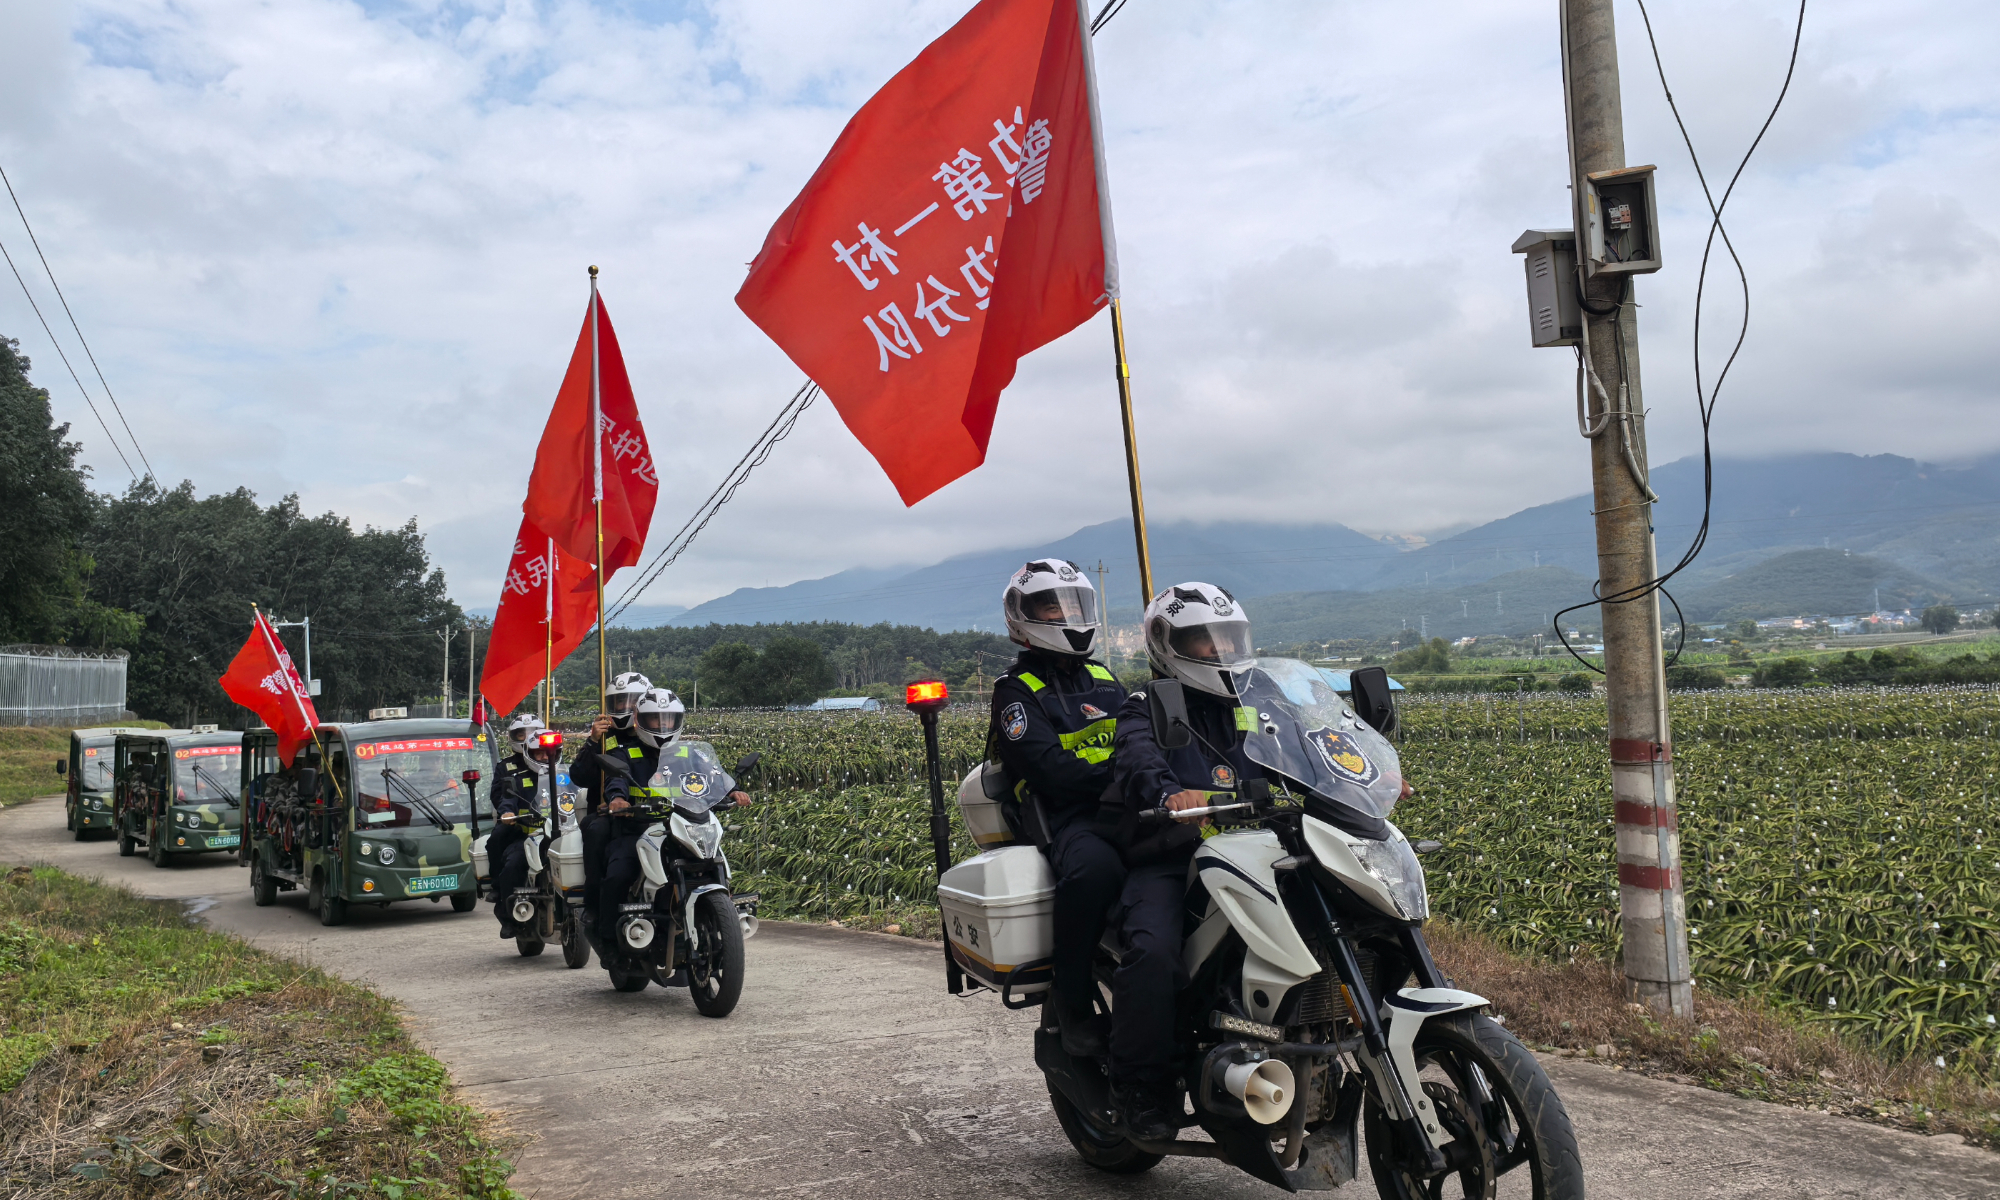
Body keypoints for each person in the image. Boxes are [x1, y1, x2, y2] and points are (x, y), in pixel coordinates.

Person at [1105, 581, 1260, 1142]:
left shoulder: (1253, 705)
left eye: (1227, 639)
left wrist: (1361, 774)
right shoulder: (1144, 706)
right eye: (1203, 641)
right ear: (1168, 645)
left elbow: (1302, 744)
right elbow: (1139, 759)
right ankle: (1140, 1086)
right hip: (1174, 857)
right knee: (1151, 950)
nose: (1218, 651)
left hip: (1257, 851)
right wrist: (1171, 794)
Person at [985, 560, 1129, 1060]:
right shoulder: (1015, 692)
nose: (1068, 616)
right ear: (1023, 618)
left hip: (1128, 808)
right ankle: (1071, 998)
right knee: (1096, 872)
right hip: (1067, 817)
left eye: (1075, 606)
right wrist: (1122, 777)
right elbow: (1051, 771)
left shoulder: (1103, 676)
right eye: (1053, 607)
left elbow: (1141, 737)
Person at [593, 688, 749, 948]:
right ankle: (609, 940)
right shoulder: (624, 753)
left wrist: (732, 790)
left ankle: (721, 917)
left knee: (714, 858)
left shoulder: (689, 754)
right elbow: (616, 780)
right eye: (655, 719)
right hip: (638, 827)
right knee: (618, 873)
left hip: (683, 825)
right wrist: (617, 799)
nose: (662, 725)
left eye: (669, 719)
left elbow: (713, 773)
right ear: (639, 719)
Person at [567, 671, 654, 931]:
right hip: (607, 812)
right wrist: (593, 742)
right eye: (618, 702)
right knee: (596, 832)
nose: (624, 708)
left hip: (655, 813)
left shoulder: (658, 733)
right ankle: (594, 905)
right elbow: (580, 776)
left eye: (630, 701)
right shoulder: (605, 738)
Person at [489, 715, 562, 938]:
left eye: (548, 753)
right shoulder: (513, 773)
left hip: (559, 832)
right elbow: (503, 798)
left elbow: (576, 793)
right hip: (524, 832)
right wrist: (507, 813)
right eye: (538, 753)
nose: (544, 757)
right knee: (508, 858)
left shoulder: (563, 775)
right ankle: (506, 911)